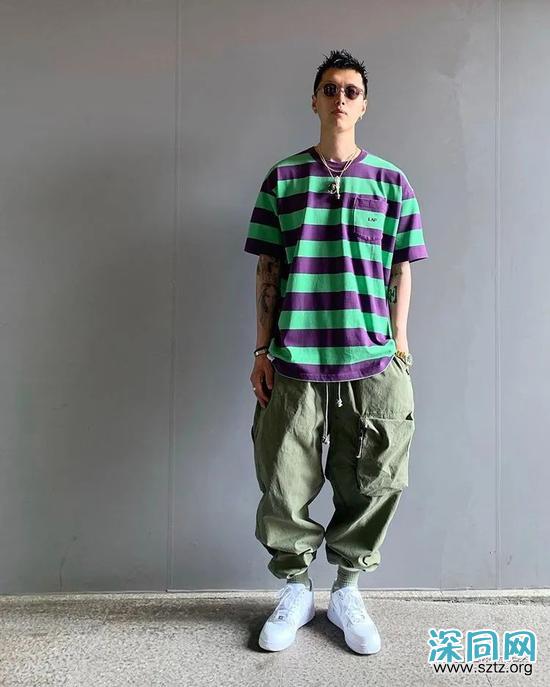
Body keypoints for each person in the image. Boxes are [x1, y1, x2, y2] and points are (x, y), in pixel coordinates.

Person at [243, 49, 429, 654]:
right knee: (282, 480)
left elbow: (402, 266)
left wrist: (400, 342)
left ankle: (348, 589)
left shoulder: (392, 182)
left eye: (351, 90)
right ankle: (296, 590)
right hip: (294, 357)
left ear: (364, 104)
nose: (340, 98)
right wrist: (261, 349)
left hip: (371, 357)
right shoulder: (283, 178)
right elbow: (268, 268)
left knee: (376, 478)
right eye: (330, 89)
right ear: (315, 101)